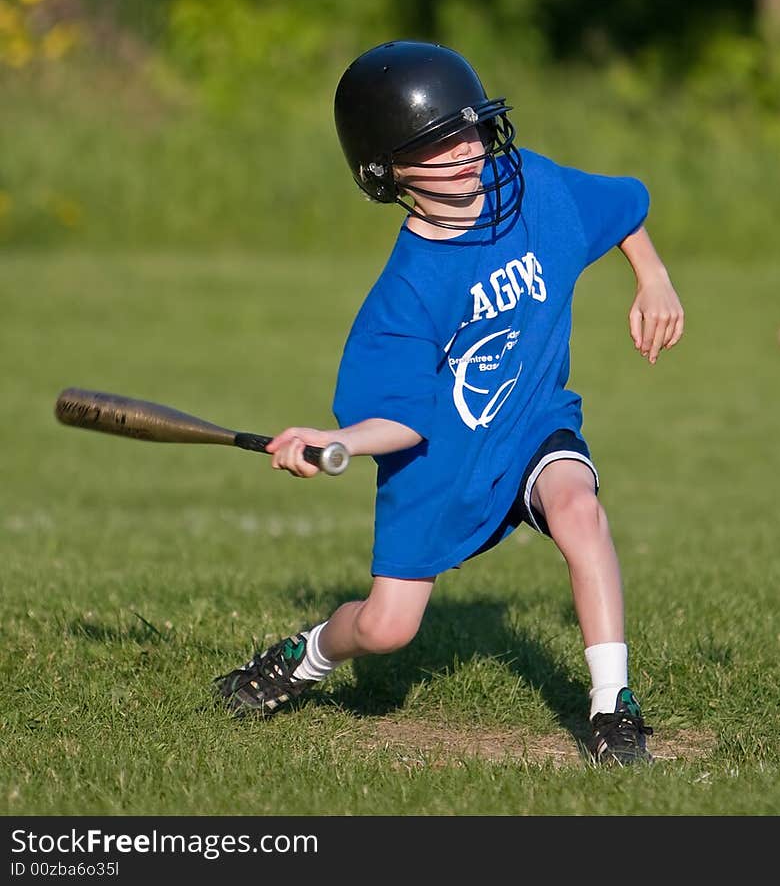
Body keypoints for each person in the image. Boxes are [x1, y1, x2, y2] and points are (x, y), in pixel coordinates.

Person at [213, 40, 684, 765]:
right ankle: (300, 658)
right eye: (438, 142)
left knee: (580, 509)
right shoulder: (405, 294)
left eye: (470, 127)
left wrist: (652, 277)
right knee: (386, 628)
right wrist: (330, 439)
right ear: (387, 170)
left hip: (531, 423)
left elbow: (621, 206)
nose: (468, 150)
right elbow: (400, 419)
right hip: (440, 464)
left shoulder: (532, 188)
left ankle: (612, 706)